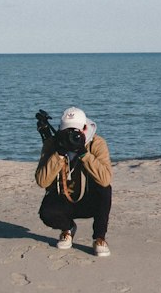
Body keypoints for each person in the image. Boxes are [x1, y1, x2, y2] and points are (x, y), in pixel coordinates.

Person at [35, 106, 112, 256]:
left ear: (84, 128)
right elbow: (42, 181)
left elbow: (105, 179)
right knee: (46, 212)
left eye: (75, 132)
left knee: (105, 190)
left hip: (89, 199)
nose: (71, 136)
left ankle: (99, 238)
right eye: (67, 132)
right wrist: (58, 154)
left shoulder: (96, 143)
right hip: (63, 198)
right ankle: (68, 228)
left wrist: (84, 154)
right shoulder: (54, 144)